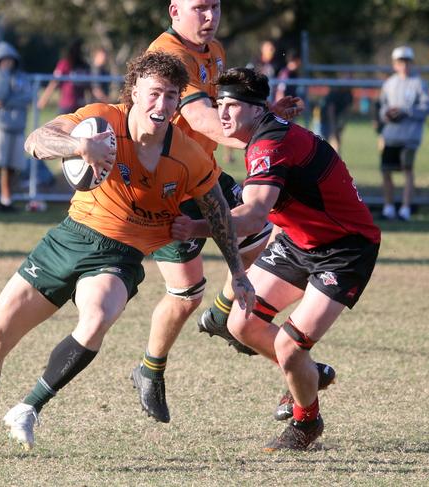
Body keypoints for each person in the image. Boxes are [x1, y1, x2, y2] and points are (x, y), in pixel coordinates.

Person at [0, 50, 253, 458]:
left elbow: (220, 215)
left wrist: (238, 273)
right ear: (135, 91)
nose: (162, 105)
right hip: (67, 240)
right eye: (155, 93)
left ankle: (28, 407)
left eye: (172, 96)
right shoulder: (102, 120)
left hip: (119, 256)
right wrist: (78, 145)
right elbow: (37, 140)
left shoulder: (188, 156)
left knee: (97, 318)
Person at [171, 67, 381, 451]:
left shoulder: (270, 144)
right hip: (300, 242)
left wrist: (194, 227)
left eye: (232, 106)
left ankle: (306, 424)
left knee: (289, 346)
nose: (222, 115)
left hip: (345, 249)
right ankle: (308, 375)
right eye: (220, 105)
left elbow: (252, 216)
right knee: (242, 324)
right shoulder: (263, 129)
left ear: (256, 110)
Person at [130, 0, 305, 424]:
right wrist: (264, 136)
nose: (209, 18)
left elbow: (224, 111)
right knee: (187, 292)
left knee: (260, 232)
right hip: (167, 182)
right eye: (199, 9)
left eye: (215, 7)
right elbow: (206, 121)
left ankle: (223, 314)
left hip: (202, 172)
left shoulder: (216, 51)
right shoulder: (171, 56)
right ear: (174, 11)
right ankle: (149, 370)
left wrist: (263, 114)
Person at [379, 46, 429, 221]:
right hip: (391, 136)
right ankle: (388, 207)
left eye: (407, 62)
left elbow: (427, 108)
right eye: (400, 62)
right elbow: (382, 108)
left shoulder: (419, 83)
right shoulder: (389, 84)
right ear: (395, 64)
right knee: (386, 171)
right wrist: (387, 114)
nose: (404, 65)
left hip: (410, 137)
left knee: (407, 170)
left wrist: (406, 111)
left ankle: (405, 208)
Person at [0, 41, 33, 213]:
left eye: (10, 60)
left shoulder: (22, 78)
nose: (8, 63)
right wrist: (3, 76)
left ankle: (6, 201)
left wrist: (8, 102)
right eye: (4, 60)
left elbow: (27, 97)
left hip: (17, 127)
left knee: (11, 167)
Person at [37, 39, 90, 114]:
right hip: (67, 105)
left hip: (80, 106)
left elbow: (89, 87)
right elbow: (54, 83)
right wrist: (43, 100)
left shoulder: (85, 66)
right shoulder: (64, 64)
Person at [320, 83, 353, 155]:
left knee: (336, 140)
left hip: (336, 119)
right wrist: (333, 126)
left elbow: (347, 111)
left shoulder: (349, 94)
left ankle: (337, 159)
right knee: (324, 143)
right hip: (324, 119)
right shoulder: (334, 93)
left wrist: (343, 124)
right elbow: (330, 110)